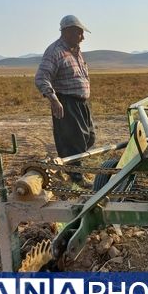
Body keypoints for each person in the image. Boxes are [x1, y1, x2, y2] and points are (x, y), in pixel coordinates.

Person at [35, 15, 95, 187]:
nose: (83, 38)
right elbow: (41, 78)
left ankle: (69, 168)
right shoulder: (55, 51)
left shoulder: (75, 50)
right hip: (66, 102)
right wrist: (53, 99)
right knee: (74, 141)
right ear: (68, 32)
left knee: (89, 137)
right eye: (80, 33)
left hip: (81, 103)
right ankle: (77, 178)